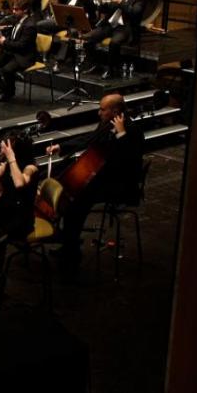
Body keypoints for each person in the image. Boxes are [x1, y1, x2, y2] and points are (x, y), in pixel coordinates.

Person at [46, 94, 143, 276]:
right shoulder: (107, 124)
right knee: (72, 197)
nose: (99, 113)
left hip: (120, 185)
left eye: (102, 109)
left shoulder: (132, 129)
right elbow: (90, 139)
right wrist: (62, 146)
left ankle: (71, 253)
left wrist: (121, 134)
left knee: (75, 204)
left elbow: (130, 163)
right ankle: (69, 244)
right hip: (103, 178)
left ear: (115, 110)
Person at [80, 0, 147, 78]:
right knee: (88, 37)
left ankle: (112, 70)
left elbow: (134, 14)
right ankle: (94, 64)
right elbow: (104, 10)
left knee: (114, 43)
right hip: (110, 25)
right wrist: (104, 1)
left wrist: (121, 1)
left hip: (125, 28)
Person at [0, 134, 39, 243]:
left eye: (4, 149)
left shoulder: (31, 168)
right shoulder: (7, 165)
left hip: (19, 217)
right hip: (7, 208)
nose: (1, 151)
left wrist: (11, 158)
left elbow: (19, 183)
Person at [0, 0, 36, 101]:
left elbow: (21, 46)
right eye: (13, 9)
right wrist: (2, 39)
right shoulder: (18, 19)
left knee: (6, 70)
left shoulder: (30, 25)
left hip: (23, 55)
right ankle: (0, 87)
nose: (14, 11)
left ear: (25, 10)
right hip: (12, 51)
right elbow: (13, 38)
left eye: (16, 9)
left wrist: (4, 42)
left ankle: (9, 92)